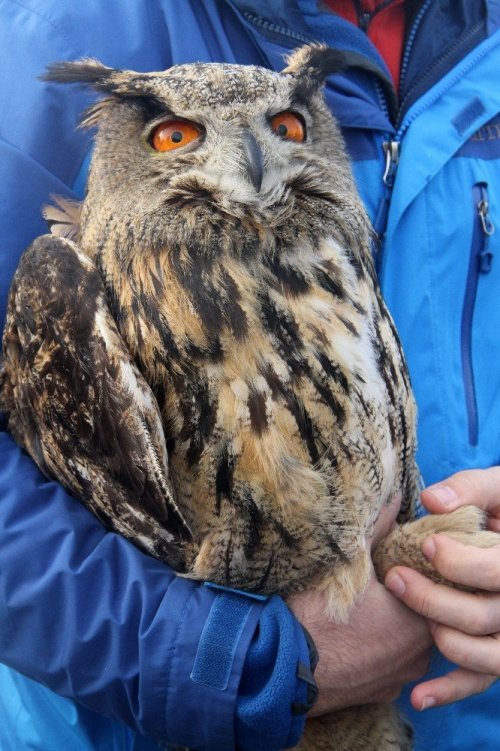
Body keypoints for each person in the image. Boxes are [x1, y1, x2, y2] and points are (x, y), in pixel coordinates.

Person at [0, 1, 499, 749]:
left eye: (287, 130)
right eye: (177, 138)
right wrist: (245, 660)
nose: (253, 162)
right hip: (148, 721)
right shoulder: (58, 34)